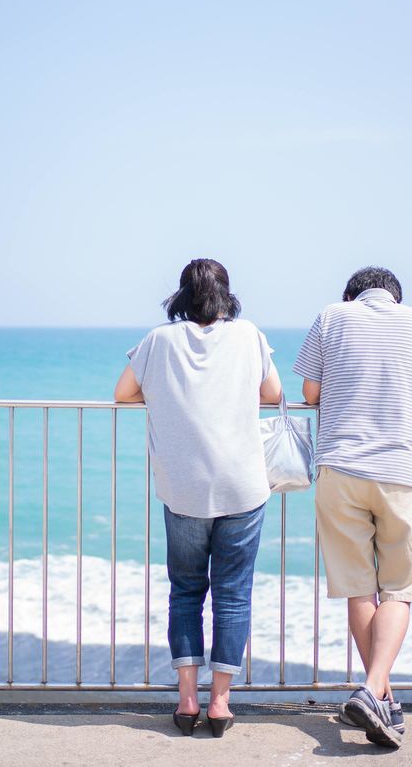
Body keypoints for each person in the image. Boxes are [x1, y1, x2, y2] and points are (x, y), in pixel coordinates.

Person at [294, 266, 412, 749]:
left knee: (358, 589)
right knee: (402, 589)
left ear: (351, 296)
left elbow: (310, 393)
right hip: (399, 470)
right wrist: (411, 392)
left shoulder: (331, 316)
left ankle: (379, 699)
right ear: (395, 297)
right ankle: (375, 691)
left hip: (339, 469)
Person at [115, 258, 282, 738]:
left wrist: (168, 396)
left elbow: (123, 393)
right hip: (242, 486)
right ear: (226, 296)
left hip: (183, 488)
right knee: (233, 595)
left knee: (186, 591)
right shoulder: (249, 335)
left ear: (181, 297)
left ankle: (187, 700)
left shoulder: (159, 340)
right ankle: (220, 704)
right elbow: (273, 392)